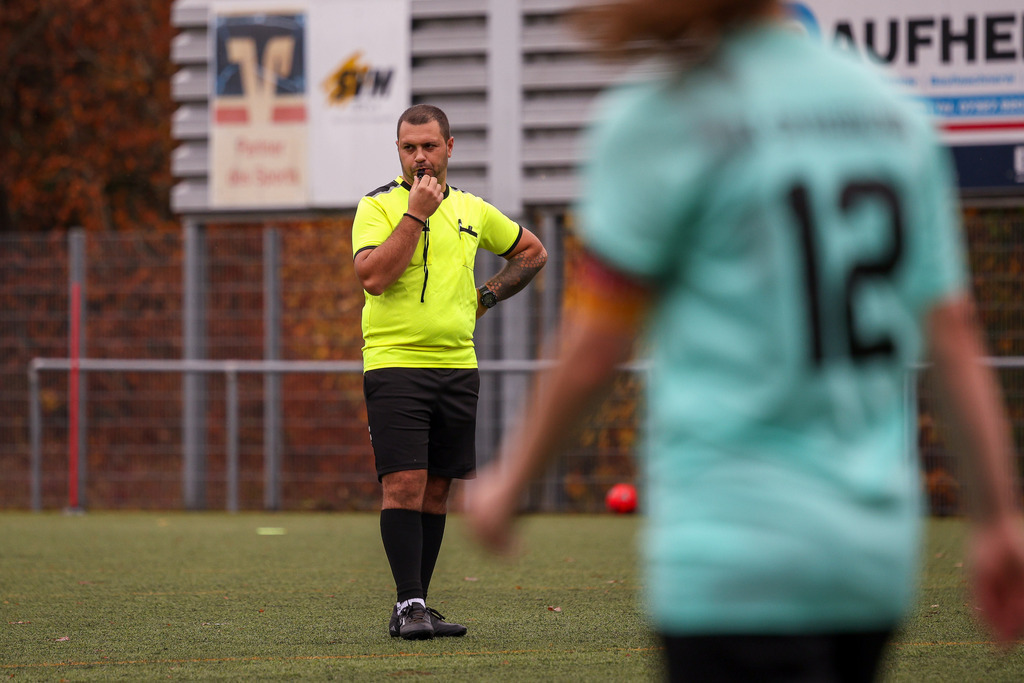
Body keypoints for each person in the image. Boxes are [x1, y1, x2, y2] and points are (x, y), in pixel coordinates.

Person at [467, 1, 1024, 680]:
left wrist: (509, 482)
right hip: (868, 558)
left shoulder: (662, 116)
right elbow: (952, 331)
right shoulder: (891, 111)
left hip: (734, 552)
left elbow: (595, 347)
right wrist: (997, 517)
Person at [352, 104, 547, 640]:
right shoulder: (378, 206)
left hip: (457, 365)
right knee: (405, 483)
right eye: (409, 147)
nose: (420, 157)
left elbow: (532, 252)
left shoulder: (471, 209)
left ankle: (417, 605)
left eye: (429, 147)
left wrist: (483, 298)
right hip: (395, 364)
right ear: (398, 151)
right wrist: (415, 213)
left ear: (449, 148)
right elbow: (371, 277)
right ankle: (407, 603)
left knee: (438, 489)